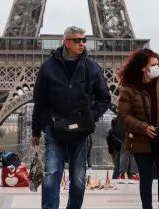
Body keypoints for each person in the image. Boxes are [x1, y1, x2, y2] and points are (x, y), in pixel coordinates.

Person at [31, 26, 110, 209]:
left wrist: (91, 117)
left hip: (80, 129)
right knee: (51, 173)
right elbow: (40, 101)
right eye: (77, 40)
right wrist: (36, 130)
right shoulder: (48, 67)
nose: (82, 43)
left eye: (84, 40)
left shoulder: (91, 67)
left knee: (78, 178)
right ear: (66, 42)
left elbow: (104, 98)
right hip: (54, 128)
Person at [117, 48, 159, 209]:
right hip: (141, 140)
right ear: (143, 67)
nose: (158, 68)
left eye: (158, 64)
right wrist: (143, 127)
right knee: (146, 178)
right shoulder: (130, 89)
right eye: (153, 64)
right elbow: (123, 115)